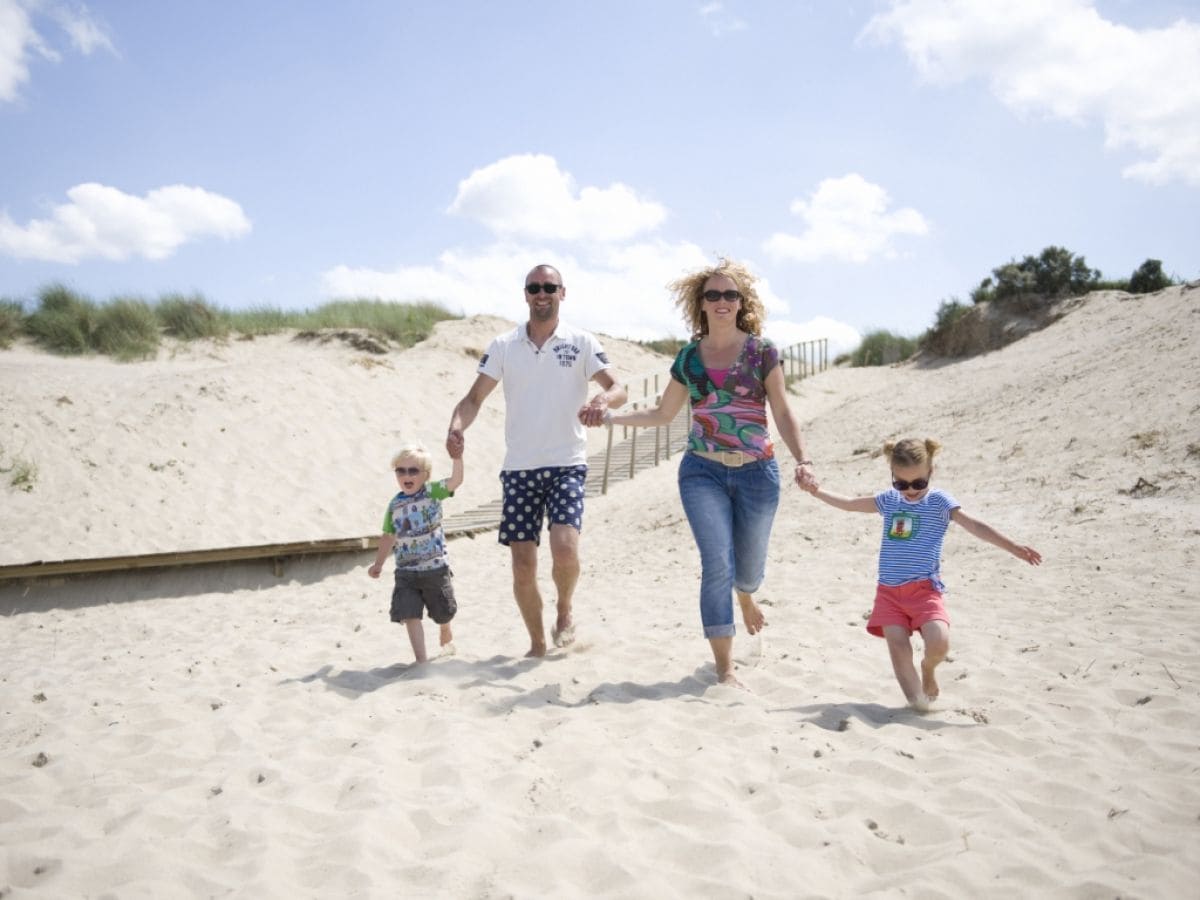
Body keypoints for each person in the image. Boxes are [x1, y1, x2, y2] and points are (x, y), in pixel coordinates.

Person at [591, 258, 813, 687]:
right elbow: (662, 413)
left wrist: (802, 458)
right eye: (713, 294)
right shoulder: (689, 358)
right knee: (716, 565)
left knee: (746, 572)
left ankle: (745, 595)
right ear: (702, 304)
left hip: (757, 473)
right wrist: (610, 421)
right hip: (702, 473)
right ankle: (725, 669)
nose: (722, 301)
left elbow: (782, 411)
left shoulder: (762, 352)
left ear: (741, 302)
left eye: (731, 294)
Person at [446, 264, 627, 658]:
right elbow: (474, 398)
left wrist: (601, 400)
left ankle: (564, 610)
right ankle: (537, 643)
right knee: (523, 565)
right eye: (534, 287)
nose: (541, 293)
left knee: (564, 550)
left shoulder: (581, 341)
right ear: (525, 294)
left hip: (566, 463)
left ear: (563, 293)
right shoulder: (503, 345)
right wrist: (457, 427)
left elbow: (618, 387)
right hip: (519, 469)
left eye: (549, 287)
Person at [797, 437, 1042, 710]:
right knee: (900, 651)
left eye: (918, 483)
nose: (910, 490)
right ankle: (919, 706)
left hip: (924, 590)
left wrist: (1013, 547)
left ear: (930, 473)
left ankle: (928, 669)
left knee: (939, 643)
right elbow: (851, 503)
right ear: (892, 476)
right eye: (901, 483)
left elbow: (976, 526)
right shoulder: (889, 500)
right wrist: (816, 491)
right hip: (889, 593)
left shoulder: (939, 501)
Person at [367, 442, 464, 664]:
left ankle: (445, 628)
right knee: (409, 613)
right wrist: (379, 564)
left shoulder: (432, 492)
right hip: (406, 571)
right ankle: (421, 661)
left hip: (435, 568)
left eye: (413, 470)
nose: (406, 475)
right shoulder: (395, 505)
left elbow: (456, 481)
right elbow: (388, 536)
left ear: (425, 475)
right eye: (401, 470)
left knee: (443, 611)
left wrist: (457, 458)